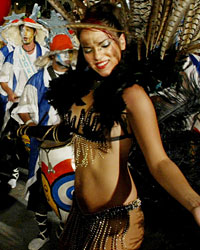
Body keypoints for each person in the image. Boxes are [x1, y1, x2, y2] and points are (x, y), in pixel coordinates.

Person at [16, 3, 200, 250]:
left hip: (117, 221)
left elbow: (159, 161)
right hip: (78, 215)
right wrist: (25, 130)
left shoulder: (132, 96)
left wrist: (194, 203)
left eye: (104, 45)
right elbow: (65, 131)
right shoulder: (80, 89)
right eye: (89, 49)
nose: (98, 56)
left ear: (121, 41)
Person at [12, 32, 78, 250]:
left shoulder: (79, 79)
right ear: (52, 55)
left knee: (71, 194)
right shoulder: (38, 80)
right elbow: (23, 109)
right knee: (39, 195)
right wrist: (33, 128)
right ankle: (43, 234)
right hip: (44, 147)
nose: (67, 56)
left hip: (73, 147)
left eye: (69, 52)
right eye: (62, 52)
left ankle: (64, 231)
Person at [0, 17, 48, 189]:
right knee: (9, 139)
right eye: (22, 30)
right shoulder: (14, 55)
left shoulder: (45, 53)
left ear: (35, 32)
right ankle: (13, 170)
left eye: (28, 30)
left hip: (39, 103)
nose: (24, 34)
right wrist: (11, 93)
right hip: (18, 102)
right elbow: (3, 79)